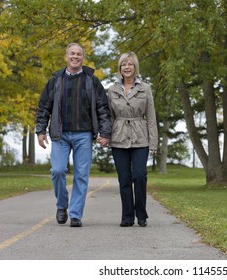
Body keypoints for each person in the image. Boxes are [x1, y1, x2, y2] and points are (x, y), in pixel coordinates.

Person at [36, 43, 111, 227]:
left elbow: (102, 108)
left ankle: (75, 214)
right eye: (72, 54)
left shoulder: (91, 80)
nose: (75, 57)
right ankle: (62, 206)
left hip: (84, 135)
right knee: (58, 170)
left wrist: (105, 132)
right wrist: (40, 130)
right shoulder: (55, 80)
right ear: (66, 56)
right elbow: (44, 106)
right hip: (60, 135)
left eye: (79, 54)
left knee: (81, 175)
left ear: (82, 58)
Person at [99, 51, 157, 227]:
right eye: (124, 64)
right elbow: (108, 116)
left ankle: (141, 214)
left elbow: (151, 117)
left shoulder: (145, 88)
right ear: (120, 68)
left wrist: (153, 144)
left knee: (139, 176)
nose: (126, 67)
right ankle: (127, 216)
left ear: (135, 67)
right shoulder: (112, 89)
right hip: (119, 137)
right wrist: (105, 135)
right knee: (124, 179)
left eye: (130, 64)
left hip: (141, 137)